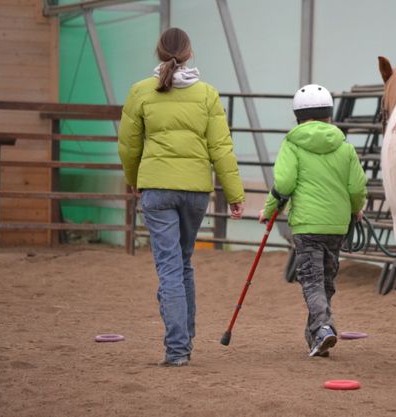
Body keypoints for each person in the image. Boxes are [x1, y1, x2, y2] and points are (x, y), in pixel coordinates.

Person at [118, 28, 245, 367]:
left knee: (170, 270)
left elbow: (129, 145)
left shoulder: (141, 91)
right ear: (190, 53)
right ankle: (184, 339)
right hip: (194, 192)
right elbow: (221, 148)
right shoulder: (206, 94)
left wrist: (134, 180)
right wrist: (234, 194)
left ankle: (177, 349)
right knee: (183, 264)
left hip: (157, 190)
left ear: (158, 53)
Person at [259, 84, 367, 357]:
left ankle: (322, 328)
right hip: (336, 225)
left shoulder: (292, 144)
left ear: (297, 117)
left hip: (307, 225)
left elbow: (283, 183)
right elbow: (357, 187)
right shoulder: (345, 147)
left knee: (312, 280)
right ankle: (317, 336)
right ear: (329, 115)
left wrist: (270, 209)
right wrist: (357, 209)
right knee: (326, 281)